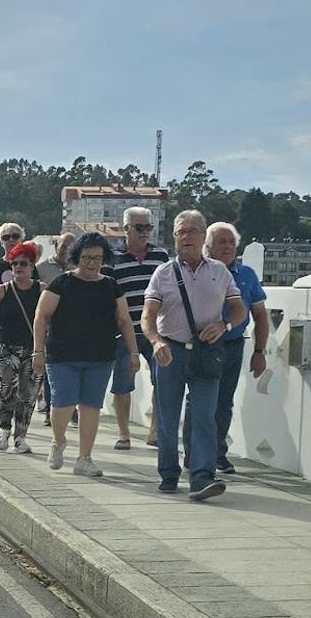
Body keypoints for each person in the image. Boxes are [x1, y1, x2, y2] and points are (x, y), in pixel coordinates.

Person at [141, 210, 247, 501]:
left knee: (204, 416)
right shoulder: (163, 274)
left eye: (191, 231)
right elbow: (148, 317)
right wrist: (155, 341)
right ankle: (168, 473)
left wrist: (223, 325)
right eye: (180, 232)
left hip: (206, 354)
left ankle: (201, 477)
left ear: (203, 237)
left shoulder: (219, 272)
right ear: (174, 238)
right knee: (167, 416)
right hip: (170, 352)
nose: (186, 237)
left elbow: (240, 310)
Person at [32, 232, 139, 478]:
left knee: (91, 406)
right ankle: (58, 442)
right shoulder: (62, 283)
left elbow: (124, 320)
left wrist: (133, 352)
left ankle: (84, 458)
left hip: (100, 356)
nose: (92, 263)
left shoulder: (111, 286)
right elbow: (41, 316)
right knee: (63, 403)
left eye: (97, 258)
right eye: (87, 257)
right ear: (77, 257)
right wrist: (38, 350)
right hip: (62, 356)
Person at [181, 222, 268, 475]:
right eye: (221, 241)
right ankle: (193, 455)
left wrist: (259, 352)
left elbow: (260, 316)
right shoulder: (198, 271)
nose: (228, 246)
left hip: (233, 346)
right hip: (202, 346)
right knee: (198, 401)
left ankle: (218, 453)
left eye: (231, 242)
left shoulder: (247, 275)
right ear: (207, 246)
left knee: (223, 403)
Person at [106, 207, 170, 450]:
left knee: (162, 381)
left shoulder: (161, 257)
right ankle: (124, 433)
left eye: (148, 227)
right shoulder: (113, 259)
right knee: (122, 384)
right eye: (139, 228)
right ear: (126, 229)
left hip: (156, 332)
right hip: (125, 332)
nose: (145, 233)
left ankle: (154, 431)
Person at [0, 242, 44, 453]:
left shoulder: (42, 290)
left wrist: (44, 350)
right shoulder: (2, 290)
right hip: (6, 348)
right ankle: (4, 428)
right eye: (14, 264)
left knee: (28, 394)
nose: (18, 268)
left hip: (32, 350)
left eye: (23, 263)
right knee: (6, 390)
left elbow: (49, 321)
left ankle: (20, 437)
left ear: (32, 265)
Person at [0, 223, 40, 406]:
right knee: (2, 372)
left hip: (27, 328)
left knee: (25, 375)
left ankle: (19, 413)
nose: (11, 240)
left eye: (15, 235)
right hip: (0, 327)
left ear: (22, 238)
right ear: (1, 242)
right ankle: (3, 414)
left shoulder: (30, 265)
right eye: (6, 237)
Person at [35, 232, 75, 425]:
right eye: (64, 246)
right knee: (52, 369)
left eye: (71, 247)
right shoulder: (41, 268)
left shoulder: (77, 269)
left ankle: (72, 408)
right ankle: (50, 408)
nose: (67, 250)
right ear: (56, 244)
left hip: (73, 327)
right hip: (50, 326)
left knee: (74, 368)